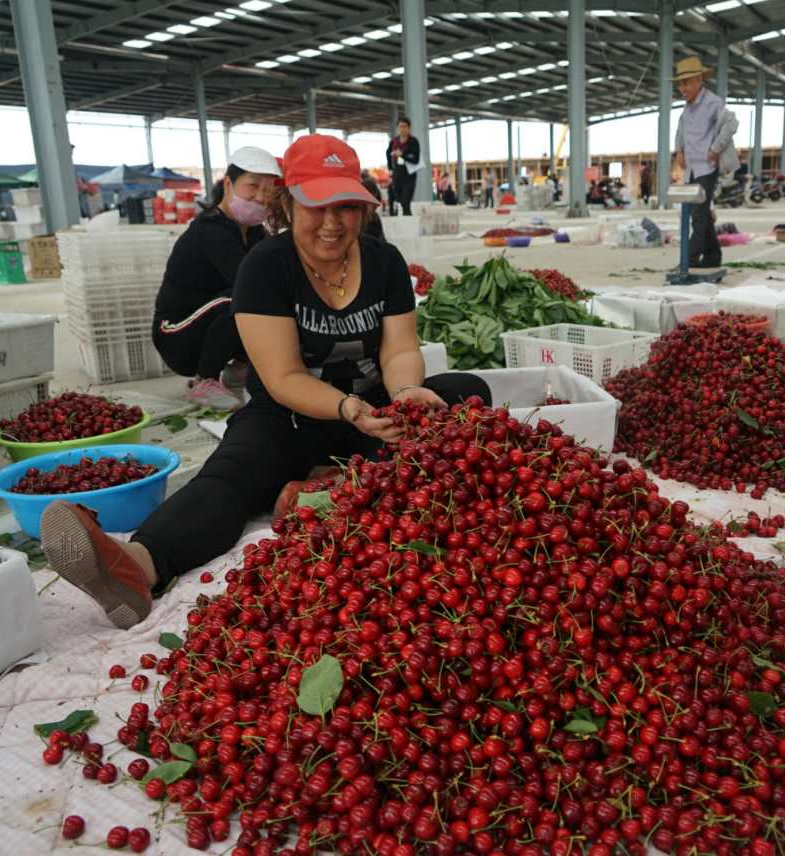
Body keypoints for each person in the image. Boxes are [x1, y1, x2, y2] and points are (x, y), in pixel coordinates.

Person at [38, 135, 491, 630]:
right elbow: (282, 376)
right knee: (232, 474)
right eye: (317, 207)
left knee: (466, 393)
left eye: (347, 207)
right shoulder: (266, 267)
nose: (333, 223)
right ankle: (137, 565)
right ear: (288, 203)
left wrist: (405, 396)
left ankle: (328, 488)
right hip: (290, 417)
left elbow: (401, 349)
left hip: (376, 417)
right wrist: (347, 409)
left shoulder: (384, 263)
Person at [152, 147, 281, 411]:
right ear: (228, 184)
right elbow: (252, 282)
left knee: (264, 294)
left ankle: (240, 366)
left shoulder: (255, 232)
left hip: (210, 324)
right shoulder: (210, 229)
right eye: (252, 186)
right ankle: (205, 380)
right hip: (177, 334)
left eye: (269, 190)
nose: (261, 197)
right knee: (244, 294)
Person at [672, 55, 739, 269]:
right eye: (680, 84)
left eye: (686, 83)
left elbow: (732, 123)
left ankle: (688, 260)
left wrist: (716, 148)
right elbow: (680, 130)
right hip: (692, 169)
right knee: (699, 214)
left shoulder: (713, 103)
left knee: (699, 216)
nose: (682, 88)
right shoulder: (687, 108)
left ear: (699, 79)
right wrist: (678, 150)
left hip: (706, 168)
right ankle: (713, 256)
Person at [386, 117, 421, 216]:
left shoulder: (413, 141)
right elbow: (388, 153)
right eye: (400, 126)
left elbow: (416, 159)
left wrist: (402, 155)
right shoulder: (393, 142)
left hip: (409, 176)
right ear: (397, 128)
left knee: (406, 202)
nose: (402, 129)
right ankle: (399, 222)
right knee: (398, 201)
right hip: (397, 175)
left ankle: (408, 223)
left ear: (409, 128)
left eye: (405, 126)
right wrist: (390, 168)